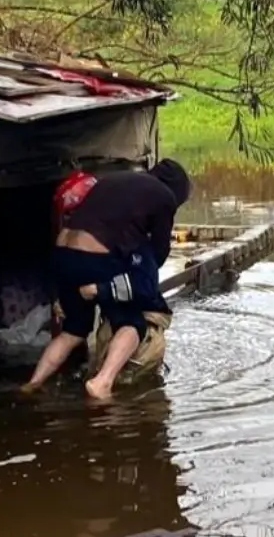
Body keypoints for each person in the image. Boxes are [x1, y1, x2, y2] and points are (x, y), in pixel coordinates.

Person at [25, 158, 191, 401]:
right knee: (132, 322)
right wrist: (141, 280)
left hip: (63, 253)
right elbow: (159, 250)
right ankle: (102, 382)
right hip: (94, 257)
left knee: (74, 329)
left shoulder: (117, 179)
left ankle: (33, 383)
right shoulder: (165, 195)